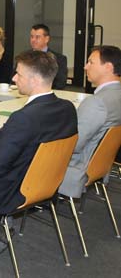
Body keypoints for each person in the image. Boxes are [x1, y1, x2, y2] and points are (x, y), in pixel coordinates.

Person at [0, 50, 77, 256]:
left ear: (35, 79)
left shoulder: (24, 118)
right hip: (45, 181)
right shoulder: (67, 108)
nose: (13, 78)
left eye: (18, 74)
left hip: (11, 188)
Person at [59, 45, 121, 198]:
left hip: (76, 167)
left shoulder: (97, 102)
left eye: (91, 62)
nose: (85, 67)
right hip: (99, 164)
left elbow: (74, 144)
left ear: (108, 67)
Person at [30, 24, 68, 90]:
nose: (33, 40)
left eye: (37, 37)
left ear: (46, 39)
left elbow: (60, 83)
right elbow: (14, 78)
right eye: (31, 37)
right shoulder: (24, 57)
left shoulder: (59, 59)